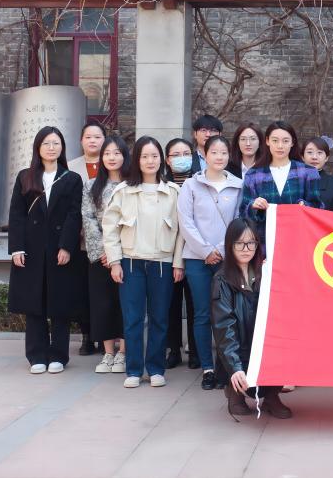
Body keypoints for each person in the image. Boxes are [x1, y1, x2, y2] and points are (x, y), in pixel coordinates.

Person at [103, 136, 185, 389]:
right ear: (136, 160)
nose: (150, 161)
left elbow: (182, 232)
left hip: (162, 263)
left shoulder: (173, 192)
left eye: (154, 156)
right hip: (131, 262)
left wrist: (178, 263)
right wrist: (115, 262)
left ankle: (156, 369)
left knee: (160, 318)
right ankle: (134, 370)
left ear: (162, 160)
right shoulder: (123, 191)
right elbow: (110, 228)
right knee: (133, 319)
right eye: (145, 156)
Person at [7, 126, 85, 374]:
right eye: (46, 143)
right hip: (31, 249)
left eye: (56, 143)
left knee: (59, 303)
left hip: (59, 248)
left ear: (62, 147)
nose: (52, 148)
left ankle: (59, 355)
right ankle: (36, 355)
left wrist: (67, 246)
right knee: (35, 303)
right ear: (38, 147)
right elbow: (17, 214)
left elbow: (74, 215)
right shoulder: (25, 177)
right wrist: (17, 248)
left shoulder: (72, 179)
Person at [178, 135, 243, 391]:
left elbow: (238, 221)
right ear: (205, 155)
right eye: (214, 152)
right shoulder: (190, 185)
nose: (219, 157)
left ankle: (226, 367)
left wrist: (222, 250)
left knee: (227, 314)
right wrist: (205, 250)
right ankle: (207, 368)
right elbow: (186, 221)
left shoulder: (238, 185)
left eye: (224, 152)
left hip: (227, 259)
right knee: (203, 314)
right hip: (197, 259)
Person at [212, 219, 292, 420]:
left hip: (261, 345)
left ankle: (271, 395)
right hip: (238, 347)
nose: (246, 249)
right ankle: (234, 392)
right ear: (230, 245)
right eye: (240, 243)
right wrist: (234, 367)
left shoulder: (264, 273)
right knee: (232, 353)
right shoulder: (222, 280)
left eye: (251, 243)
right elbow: (224, 327)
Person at [81, 134, 129, 374]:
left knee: (125, 304)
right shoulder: (91, 185)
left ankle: (124, 353)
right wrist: (104, 251)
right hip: (100, 256)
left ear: (125, 156)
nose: (112, 157)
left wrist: (117, 252)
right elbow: (88, 219)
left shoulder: (132, 184)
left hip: (127, 253)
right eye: (107, 153)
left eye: (117, 153)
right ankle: (108, 352)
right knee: (103, 304)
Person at [240, 121, 323, 238]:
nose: (280, 146)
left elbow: (318, 207)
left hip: (299, 238)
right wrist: (253, 206)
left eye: (285, 141)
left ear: (292, 142)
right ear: (267, 141)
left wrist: (305, 205)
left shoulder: (308, 173)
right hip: (265, 241)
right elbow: (243, 212)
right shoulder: (253, 175)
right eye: (275, 140)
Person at [67, 119, 106, 355]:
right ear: (81, 141)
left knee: (103, 291)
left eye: (97, 137)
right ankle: (87, 336)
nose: (93, 141)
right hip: (78, 241)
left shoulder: (112, 163)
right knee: (82, 290)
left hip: (106, 242)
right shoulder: (70, 167)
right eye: (88, 137)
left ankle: (105, 336)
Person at [165, 138, 199, 369]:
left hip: (195, 251)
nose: (181, 158)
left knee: (196, 304)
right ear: (167, 160)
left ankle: (196, 350)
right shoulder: (161, 183)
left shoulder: (200, 182)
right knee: (171, 303)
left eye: (186, 153)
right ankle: (173, 349)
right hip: (168, 252)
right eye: (175, 155)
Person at [303, 137, 333, 213]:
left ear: (326, 158)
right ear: (302, 157)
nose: (314, 157)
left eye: (319, 153)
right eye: (310, 152)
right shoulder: (293, 181)